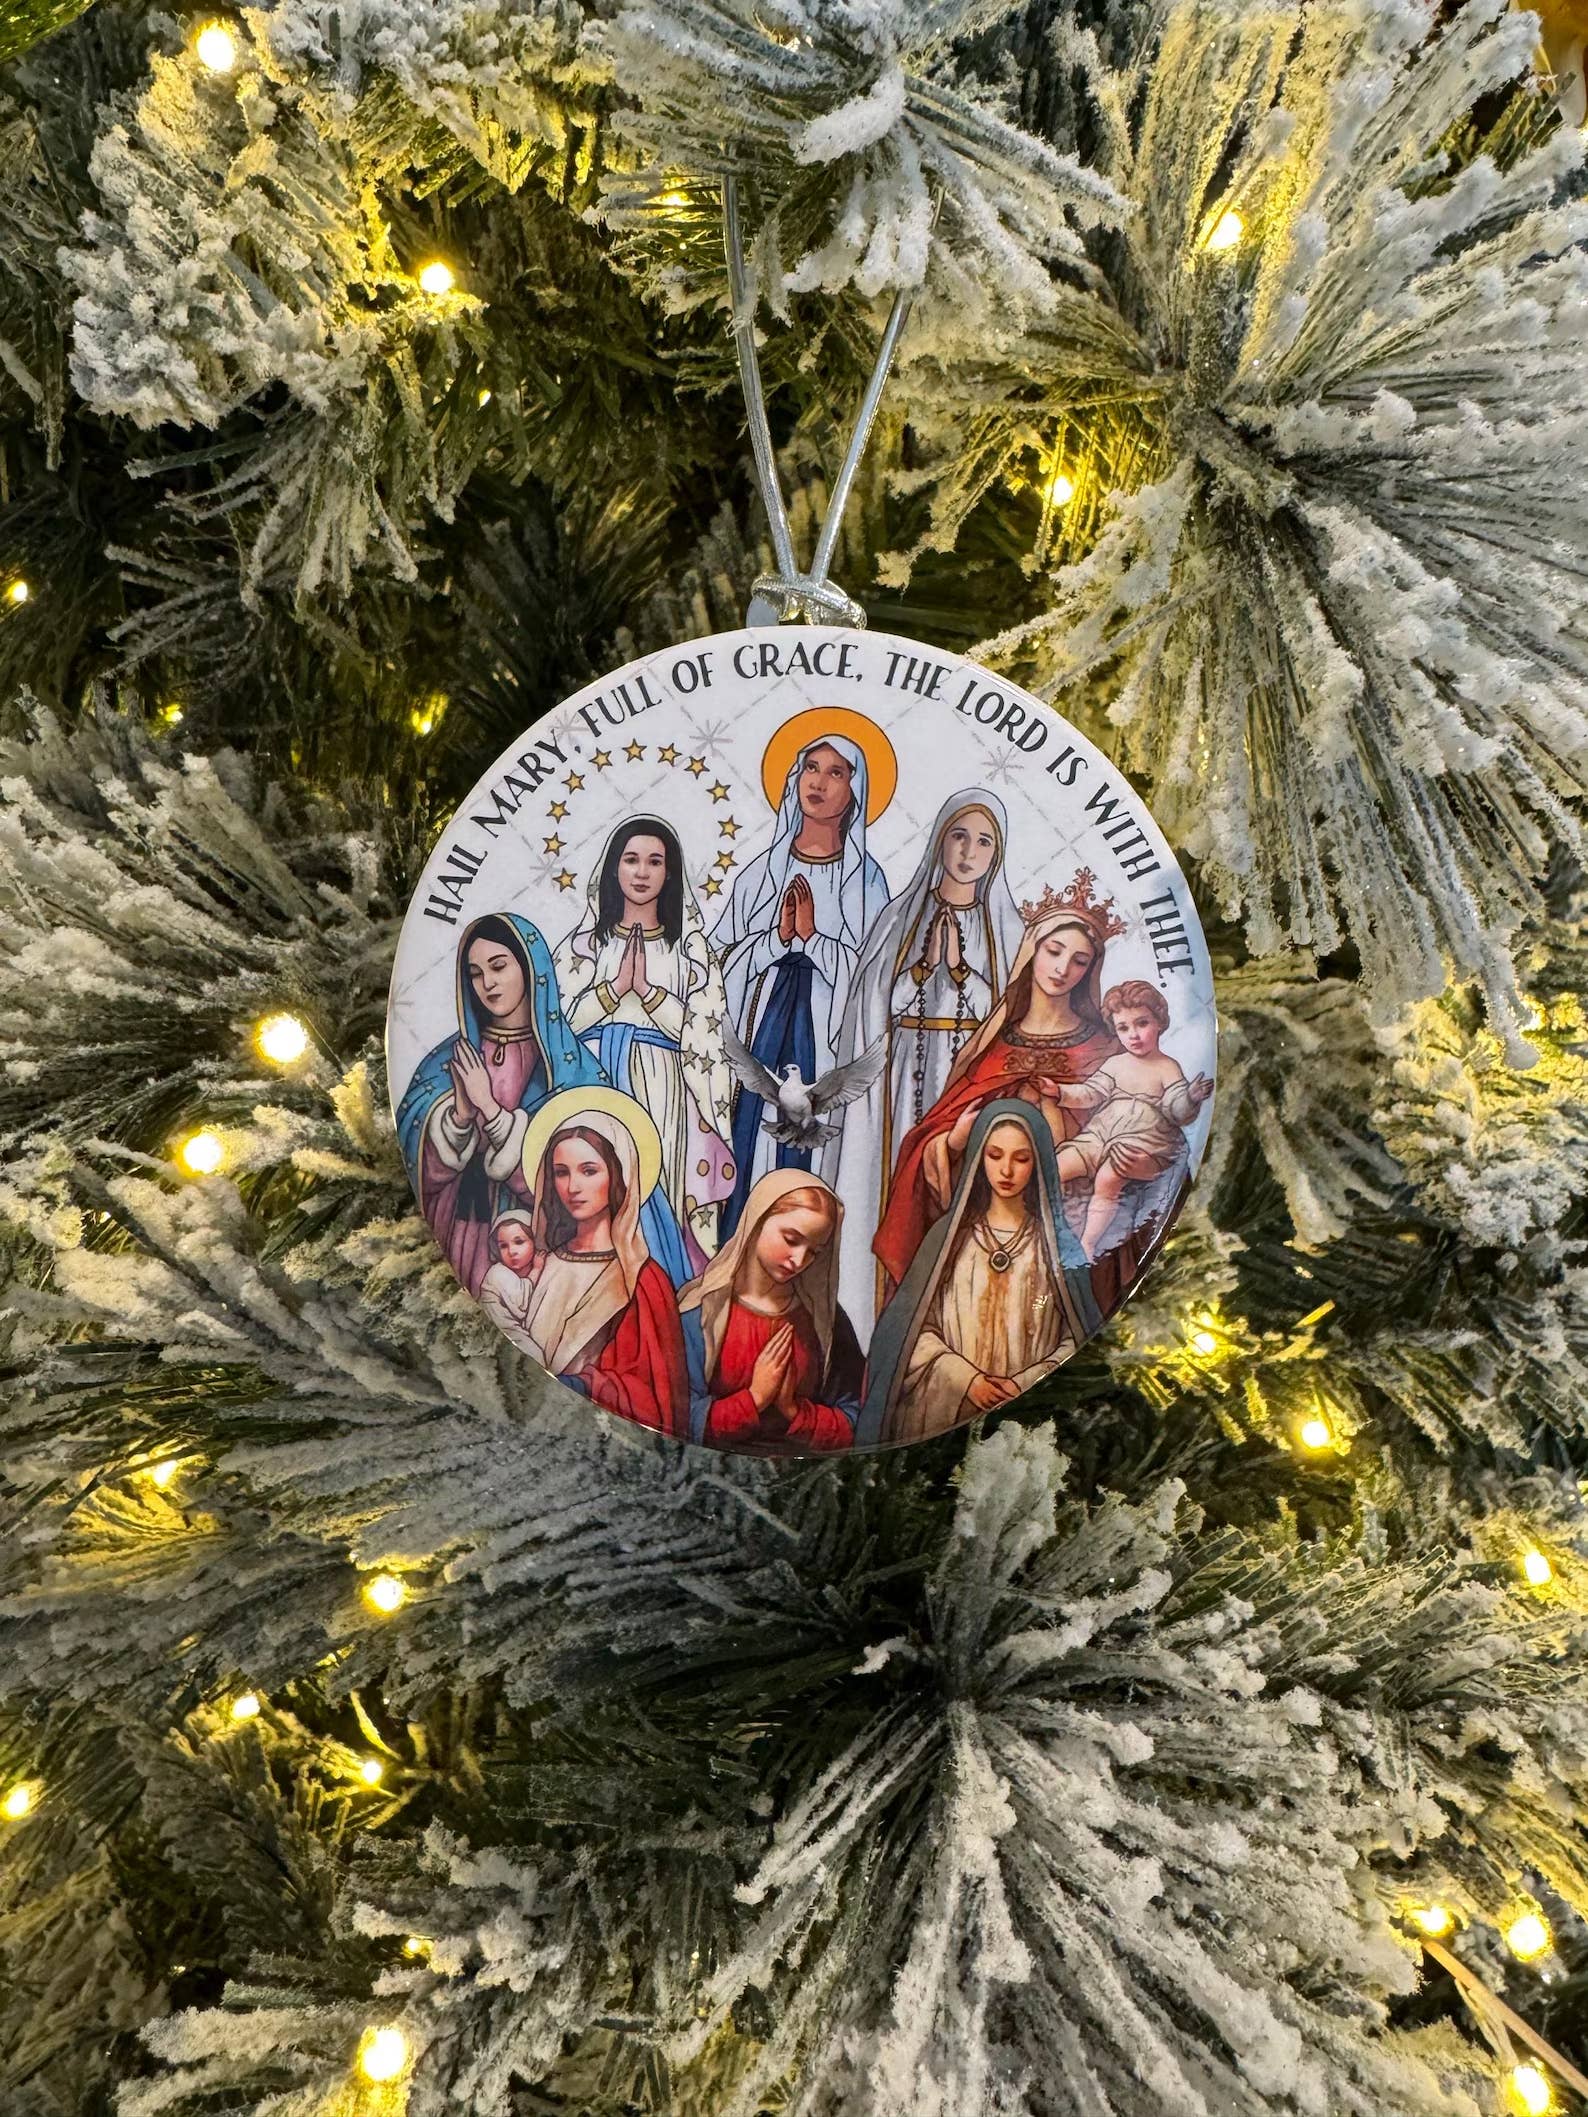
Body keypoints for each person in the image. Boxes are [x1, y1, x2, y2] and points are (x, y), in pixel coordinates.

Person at [821, 790, 1024, 1345]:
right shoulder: (902, 916)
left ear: (997, 854)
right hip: (897, 1084)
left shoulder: (1007, 930)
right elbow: (870, 1006)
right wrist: (921, 970)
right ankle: (873, 1334)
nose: (968, 852)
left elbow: (1009, 1018)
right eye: (959, 836)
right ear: (940, 841)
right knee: (891, 1190)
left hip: (966, 1087)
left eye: (984, 842)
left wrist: (958, 972)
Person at [872, 872, 1126, 1299]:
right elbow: (927, 1144)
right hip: (983, 1236)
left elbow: (1128, 1133)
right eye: (1054, 951)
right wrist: (952, 1142)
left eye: (1080, 961)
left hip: (1068, 1231)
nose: (1063, 969)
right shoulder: (991, 1048)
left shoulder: (1106, 1050)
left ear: (1090, 971)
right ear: (1032, 951)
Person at [713, 734, 889, 1236]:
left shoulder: (867, 883)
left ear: (855, 791)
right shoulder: (760, 875)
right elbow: (718, 963)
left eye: (837, 773)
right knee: (750, 1139)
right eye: (812, 767)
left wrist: (813, 941)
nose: (820, 782)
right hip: (760, 1029)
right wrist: (776, 941)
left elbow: (875, 980)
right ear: (794, 778)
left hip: (827, 1038)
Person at [856, 1102, 1101, 1449]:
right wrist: (967, 1380)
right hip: (944, 1412)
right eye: (994, 1155)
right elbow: (912, 1334)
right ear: (978, 1158)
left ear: (1038, 1163)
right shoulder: (948, 1240)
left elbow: (1078, 1338)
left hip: (1025, 1424)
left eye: (1021, 1158)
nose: (1006, 1170)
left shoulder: (1058, 1248)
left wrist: (1025, 1384)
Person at [393, 913, 604, 1297]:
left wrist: (490, 1111)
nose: (487, 983)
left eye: (498, 966)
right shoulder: (449, 1060)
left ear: (529, 968)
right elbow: (420, 1172)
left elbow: (580, 1186)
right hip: (456, 1236)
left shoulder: (569, 1067)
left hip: (538, 1253)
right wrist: (458, 1117)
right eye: (475, 973)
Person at [520, 1095, 688, 1438]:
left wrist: (578, 1387)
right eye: (561, 1173)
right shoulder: (543, 1262)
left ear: (618, 1175)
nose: (573, 1187)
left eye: (589, 1171)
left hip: (595, 1435)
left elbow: (655, 1395)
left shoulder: (641, 1280)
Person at [677, 1170, 862, 1454]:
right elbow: (676, 1416)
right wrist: (754, 1399)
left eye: (814, 1252)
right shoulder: (700, 1313)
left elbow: (857, 1418)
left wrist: (795, 1411)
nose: (799, 1260)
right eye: (791, 1239)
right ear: (757, 1221)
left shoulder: (827, 1322)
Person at [1049, 981, 1213, 1260]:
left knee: (1108, 1180)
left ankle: (1088, 1243)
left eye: (1142, 1023)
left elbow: (1177, 1110)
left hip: (1144, 1139)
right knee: (1056, 1166)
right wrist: (1059, 1092)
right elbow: (1090, 1093)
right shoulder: (1116, 1064)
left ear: (1159, 1022)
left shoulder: (1167, 1067)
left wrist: (1190, 1097)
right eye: (1123, 1028)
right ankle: (1046, 1229)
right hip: (1100, 1135)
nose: (1133, 1035)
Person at [477, 1206, 540, 1352]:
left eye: (519, 1242)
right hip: (503, 1337)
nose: (511, 1251)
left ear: (534, 1241)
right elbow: (521, 1304)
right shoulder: (498, 1273)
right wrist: (536, 1270)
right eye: (503, 1246)